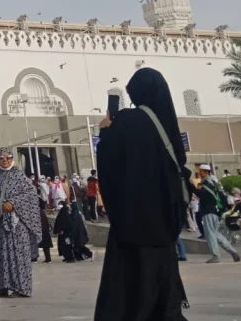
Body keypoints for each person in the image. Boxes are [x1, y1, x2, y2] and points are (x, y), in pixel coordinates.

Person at [93, 67, 189, 321]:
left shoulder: (128, 120)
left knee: (132, 290)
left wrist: (105, 131)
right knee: (163, 289)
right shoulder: (166, 123)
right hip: (164, 224)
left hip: (133, 224)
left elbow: (110, 164)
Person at [0, 147, 41, 298]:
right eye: (1, 158)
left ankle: (22, 288)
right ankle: (4, 286)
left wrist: (14, 202)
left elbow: (30, 194)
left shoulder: (19, 175)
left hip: (17, 224)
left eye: (7, 157)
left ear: (12, 158)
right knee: (3, 254)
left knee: (19, 255)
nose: (4, 160)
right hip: (1, 223)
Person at [196, 164, 240, 263]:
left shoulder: (207, 183)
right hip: (214, 212)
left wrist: (192, 188)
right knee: (216, 233)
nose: (199, 173)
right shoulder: (214, 182)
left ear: (206, 172)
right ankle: (232, 251)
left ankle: (216, 256)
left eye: (201, 171)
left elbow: (203, 195)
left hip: (208, 211)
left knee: (210, 234)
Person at [32, 180, 53, 263]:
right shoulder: (42, 213)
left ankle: (34, 258)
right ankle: (48, 258)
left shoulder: (35, 212)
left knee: (35, 243)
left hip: (39, 229)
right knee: (45, 245)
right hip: (44, 230)